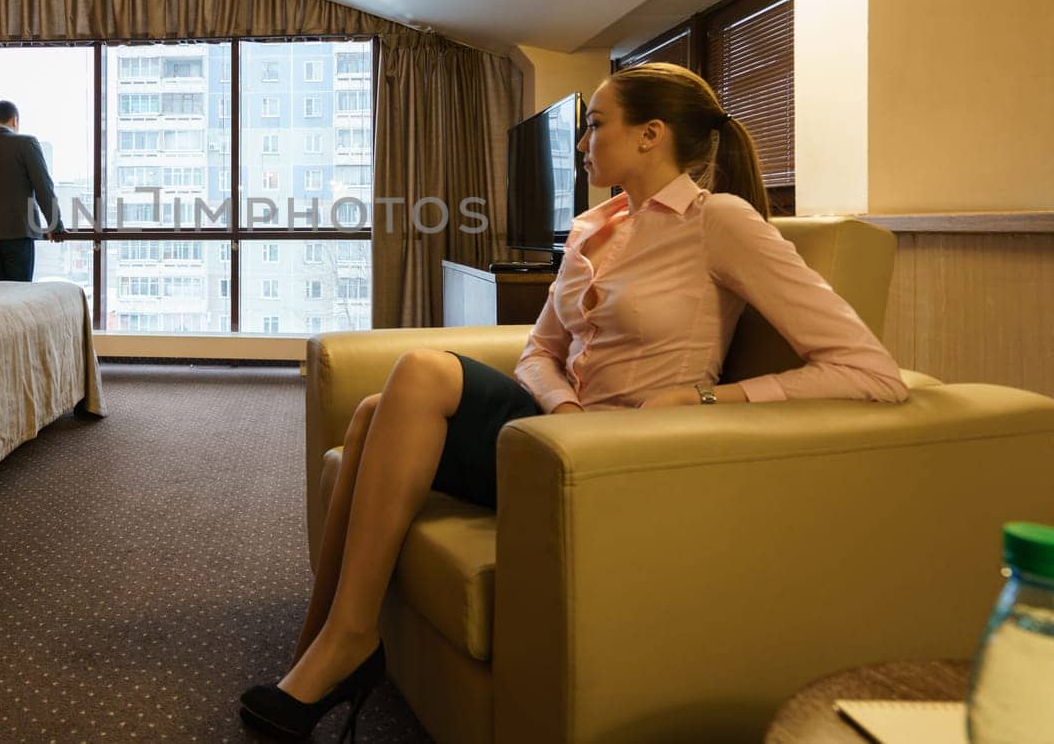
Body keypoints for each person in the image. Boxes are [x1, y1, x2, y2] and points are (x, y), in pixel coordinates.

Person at [238, 62, 907, 740]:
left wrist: (707, 394)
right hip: (558, 436)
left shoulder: (719, 221)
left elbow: (869, 369)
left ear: (650, 135)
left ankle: (345, 645)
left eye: (595, 125)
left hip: (628, 456)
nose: (584, 142)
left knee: (418, 374)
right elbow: (538, 351)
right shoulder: (594, 225)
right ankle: (323, 642)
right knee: (371, 413)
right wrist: (561, 410)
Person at [0, 100, 66, 282]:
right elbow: (43, 187)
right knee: (19, 293)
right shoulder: (25, 143)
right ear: (14, 121)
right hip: (17, 231)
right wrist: (54, 225)